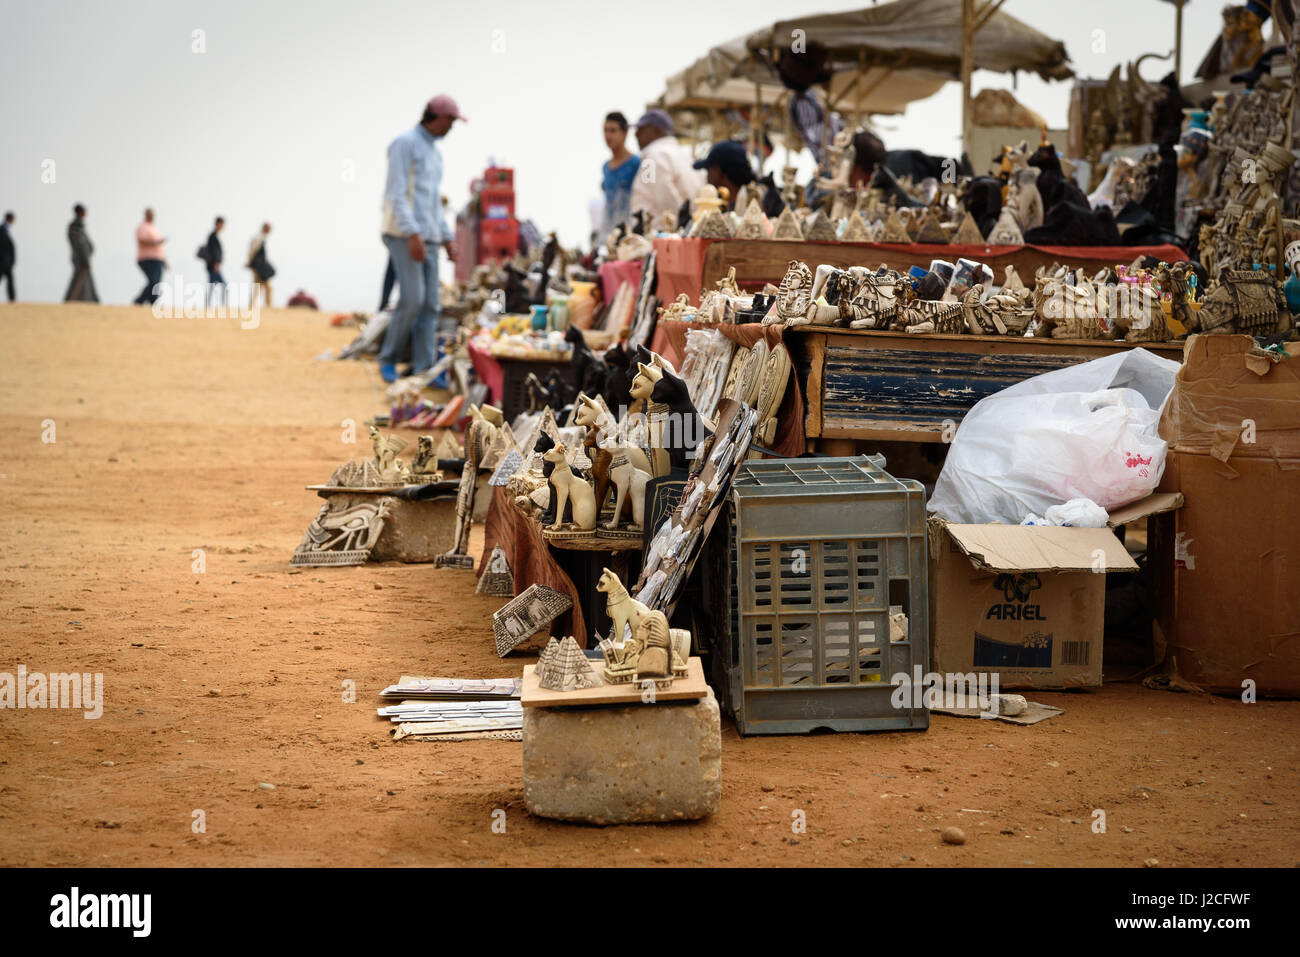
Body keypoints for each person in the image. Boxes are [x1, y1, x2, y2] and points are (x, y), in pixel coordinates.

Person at [378, 93, 464, 383]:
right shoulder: (405, 144)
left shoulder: (435, 153)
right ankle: (388, 358)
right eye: (451, 120)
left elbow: (432, 205)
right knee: (412, 300)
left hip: (426, 236)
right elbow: (396, 194)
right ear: (437, 117)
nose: (452, 126)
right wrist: (412, 233)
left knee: (431, 305)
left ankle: (424, 367)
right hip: (403, 234)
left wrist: (447, 238)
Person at [629, 109, 704, 227]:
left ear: (657, 131)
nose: (636, 135)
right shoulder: (685, 155)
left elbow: (665, 198)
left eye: (641, 130)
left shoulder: (653, 157)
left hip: (661, 235)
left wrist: (682, 225)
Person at [601, 111, 640, 235]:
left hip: (630, 232)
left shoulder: (637, 163)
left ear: (625, 133)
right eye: (605, 130)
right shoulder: (605, 167)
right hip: (608, 233)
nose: (608, 135)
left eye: (613, 131)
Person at [692, 140, 755, 211]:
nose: (707, 175)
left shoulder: (747, 205)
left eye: (709, 169)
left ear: (718, 171)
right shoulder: (744, 202)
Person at [133, 208, 167, 306]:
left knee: (157, 282)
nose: (152, 217)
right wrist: (155, 243)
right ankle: (139, 301)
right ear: (146, 215)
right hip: (146, 259)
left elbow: (160, 246)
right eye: (150, 215)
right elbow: (142, 240)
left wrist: (164, 260)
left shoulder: (154, 228)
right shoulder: (142, 227)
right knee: (153, 281)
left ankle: (153, 302)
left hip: (158, 259)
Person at [64, 204, 98, 302]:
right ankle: (72, 300)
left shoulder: (78, 225)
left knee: (84, 282)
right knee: (79, 281)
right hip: (80, 259)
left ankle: (86, 300)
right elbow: (80, 244)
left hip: (82, 258)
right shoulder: (76, 226)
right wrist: (85, 259)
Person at [247, 222, 274, 308]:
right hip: (258, 267)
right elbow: (252, 252)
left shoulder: (261, 238)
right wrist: (250, 262)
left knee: (259, 287)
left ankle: (253, 305)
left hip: (260, 267)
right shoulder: (258, 238)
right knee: (263, 287)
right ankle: (267, 306)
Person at [200, 216, 225, 306]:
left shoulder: (214, 236)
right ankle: (220, 306)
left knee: (212, 286)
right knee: (223, 286)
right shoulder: (212, 237)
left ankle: (208, 305)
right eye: (221, 224)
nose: (222, 227)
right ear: (217, 224)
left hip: (213, 266)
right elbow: (214, 252)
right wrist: (216, 264)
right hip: (213, 266)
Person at [0, 212, 14, 301]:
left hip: (6, 262)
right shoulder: (2, 230)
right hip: (2, 261)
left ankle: (12, 300)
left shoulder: (6, 230)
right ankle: (12, 300)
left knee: (10, 281)